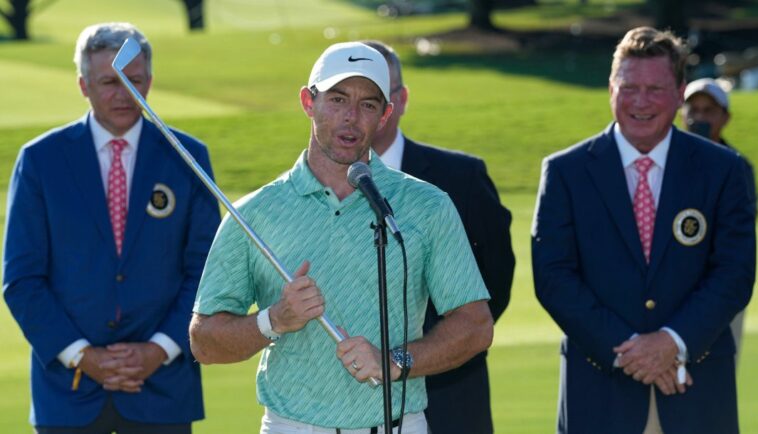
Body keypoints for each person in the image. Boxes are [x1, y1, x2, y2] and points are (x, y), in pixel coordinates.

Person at [189, 41, 494, 433]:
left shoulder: (427, 206)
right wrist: (273, 320)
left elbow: (475, 325)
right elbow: (204, 341)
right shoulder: (255, 212)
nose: (351, 118)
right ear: (307, 101)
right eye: (336, 99)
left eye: (368, 104)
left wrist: (394, 361)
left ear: (385, 115)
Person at [531, 27, 755, 434]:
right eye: (629, 87)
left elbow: (734, 273)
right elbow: (554, 278)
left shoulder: (723, 169)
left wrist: (673, 342)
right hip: (600, 392)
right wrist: (632, 353)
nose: (640, 101)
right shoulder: (566, 172)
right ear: (610, 88)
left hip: (697, 392)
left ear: (680, 91)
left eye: (655, 88)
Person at [3, 22, 220, 434]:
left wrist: (159, 350)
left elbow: (206, 273)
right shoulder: (40, 161)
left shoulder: (187, 158)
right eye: (108, 82)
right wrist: (85, 357)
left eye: (134, 81)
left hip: (163, 391)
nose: (123, 94)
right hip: (68, 393)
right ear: (83, 85)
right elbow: (22, 279)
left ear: (150, 81)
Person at [363, 40, 514, 434]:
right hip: (345, 400)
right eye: (348, 98)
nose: (364, 111)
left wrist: (433, 351)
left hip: (450, 394)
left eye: (378, 95)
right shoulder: (310, 190)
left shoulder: (462, 178)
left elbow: (495, 279)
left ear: (402, 98)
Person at [681, 77, 758, 361]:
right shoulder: (664, 162)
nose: (699, 116)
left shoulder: (738, 168)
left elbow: (738, 238)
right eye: (693, 109)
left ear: (725, 118)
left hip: (721, 290)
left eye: (708, 110)